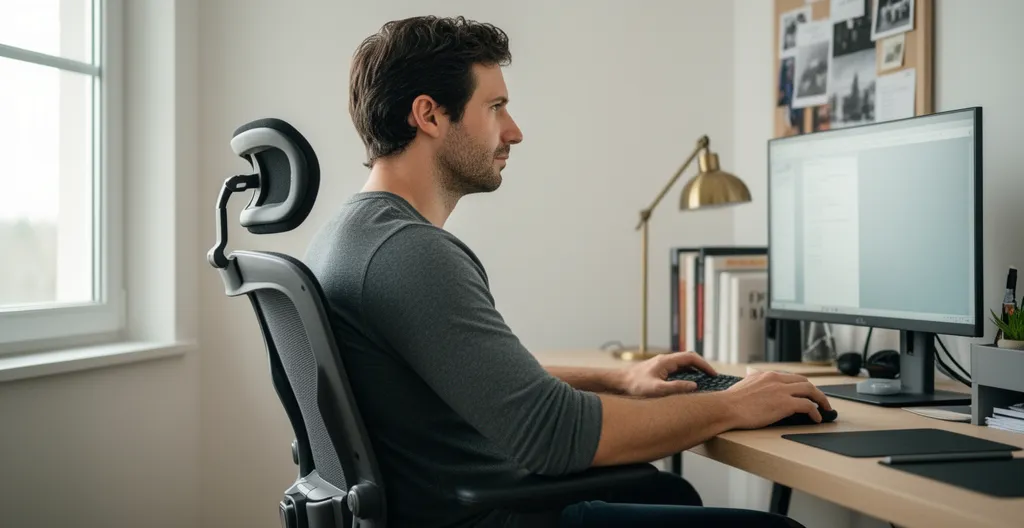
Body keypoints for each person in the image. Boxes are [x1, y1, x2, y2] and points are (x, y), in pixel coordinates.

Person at [304, 15, 831, 528]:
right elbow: (549, 433)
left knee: (666, 491)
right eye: (495, 107)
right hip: (487, 515)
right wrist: (733, 405)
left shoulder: (348, 237)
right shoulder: (409, 254)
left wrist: (619, 378)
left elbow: (484, 384)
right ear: (430, 115)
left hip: (454, 503)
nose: (514, 131)